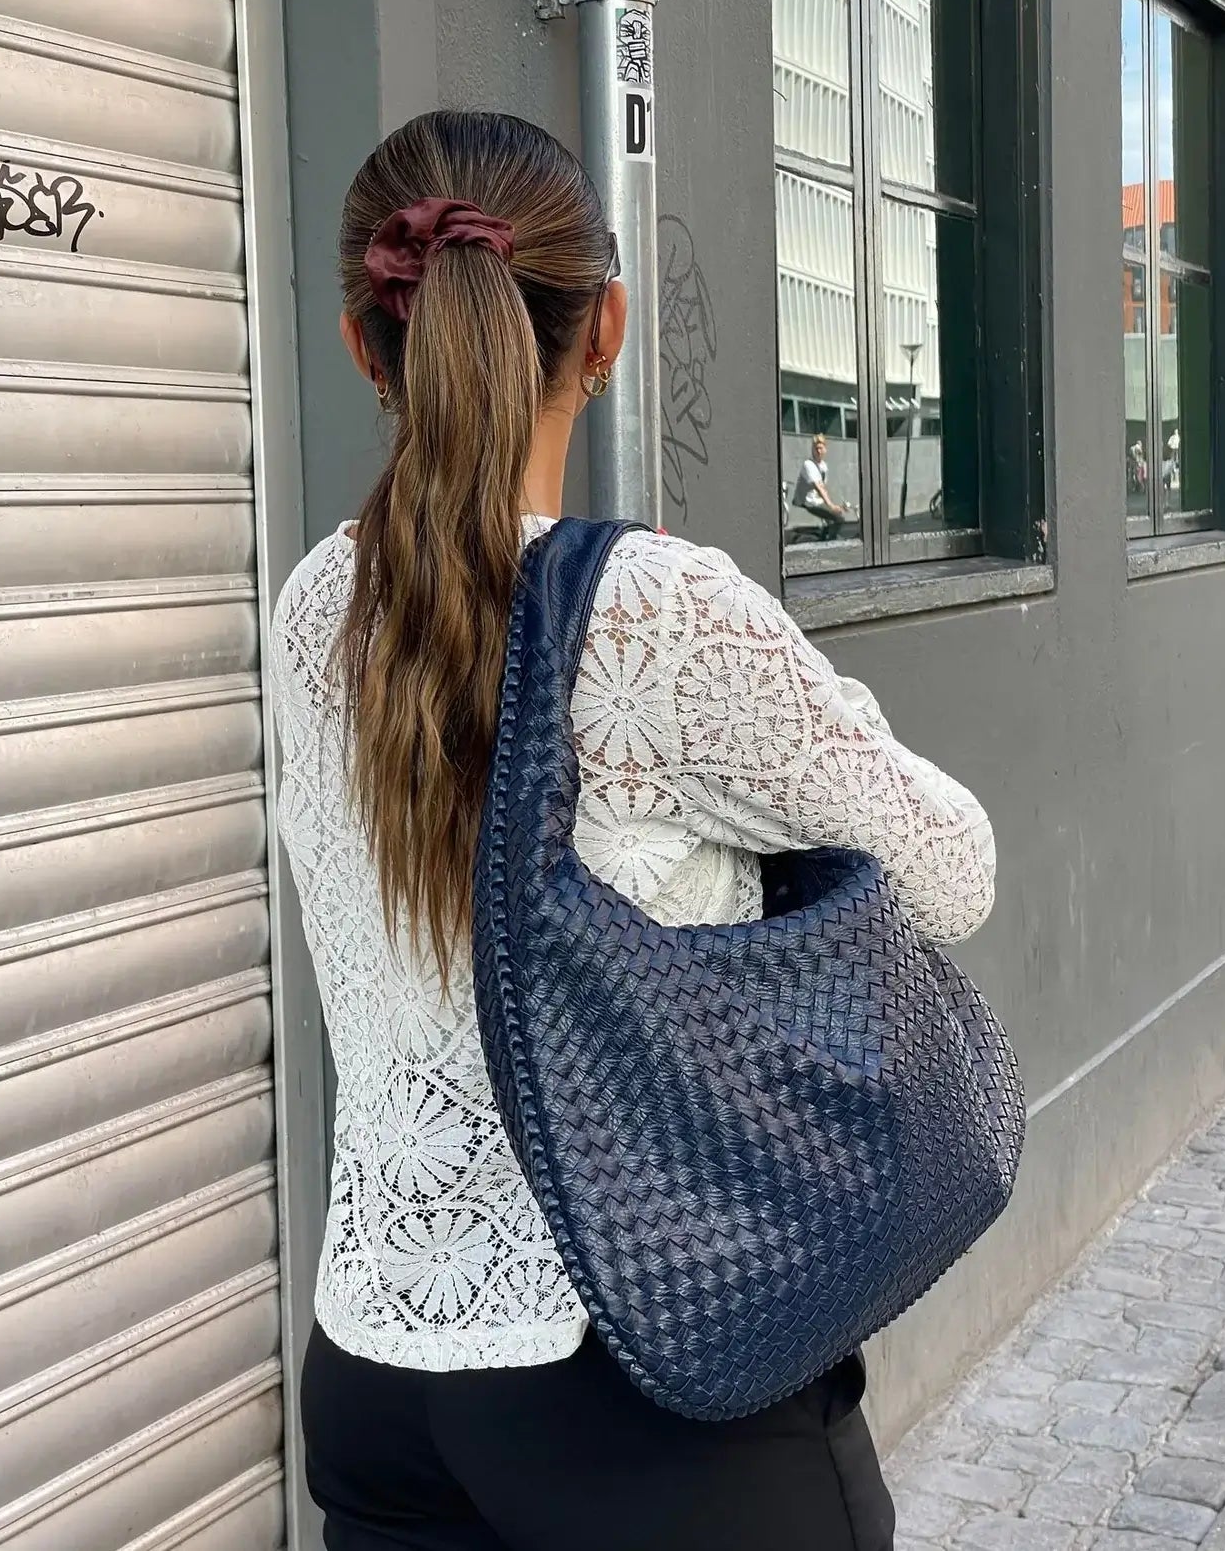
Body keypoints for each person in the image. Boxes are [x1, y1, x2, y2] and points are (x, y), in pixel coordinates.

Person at [271, 110, 997, 1551]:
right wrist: (819, 692)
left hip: (377, 1363)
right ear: (603, 331)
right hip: (644, 1362)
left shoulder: (312, 609)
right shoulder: (658, 608)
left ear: (366, 346)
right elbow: (952, 869)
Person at [792, 432, 850, 539]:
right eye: (816, 448)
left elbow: (823, 487)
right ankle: (831, 543)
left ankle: (823, 540)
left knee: (830, 521)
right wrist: (832, 507)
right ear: (812, 449)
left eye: (821, 448)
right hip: (810, 502)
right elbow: (818, 487)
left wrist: (836, 504)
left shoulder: (823, 466)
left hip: (818, 501)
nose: (818, 451)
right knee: (839, 518)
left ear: (825, 450)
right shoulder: (808, 464)